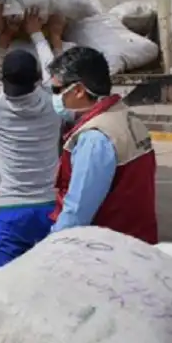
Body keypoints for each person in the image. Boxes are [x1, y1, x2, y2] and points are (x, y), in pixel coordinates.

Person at [0, 1, 63, 268]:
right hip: (49, 207)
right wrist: (37, 33)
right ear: (37, 79)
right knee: (51, 275)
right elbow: (54, 69)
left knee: (7, 279)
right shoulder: (53, 103)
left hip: (11, 209)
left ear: (3, 80)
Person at [48, 47, 158, 244]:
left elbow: (77, 211)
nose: (55, 97)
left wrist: (53, 246)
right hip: (137, 243)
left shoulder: (95, 138)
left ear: (78, 90)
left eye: (57, 90)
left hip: (106, 249)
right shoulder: (126, 117)